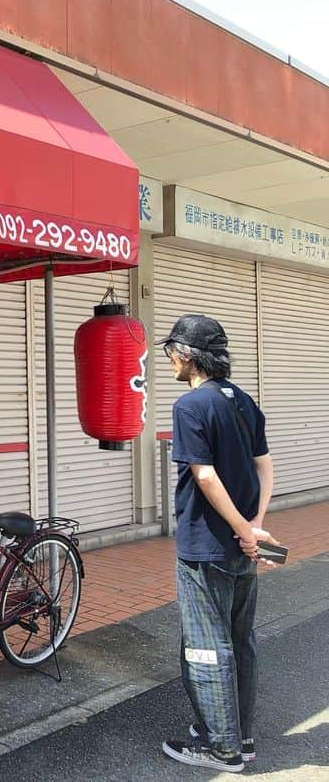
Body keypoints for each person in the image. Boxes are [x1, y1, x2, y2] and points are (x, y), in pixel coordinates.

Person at [157, 314, 277, 773]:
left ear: (187, 356)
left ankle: (222, 748)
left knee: (207, 645)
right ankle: (238, 734)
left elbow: (203, 475)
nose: (169, 361)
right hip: (244, 544)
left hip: (206, 545)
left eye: (171, 353)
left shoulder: (190, 406)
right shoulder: (244, 400)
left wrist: (245, 531)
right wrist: (254, 526)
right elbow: (264, 466)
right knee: (240, 640)